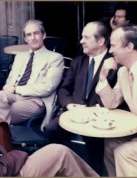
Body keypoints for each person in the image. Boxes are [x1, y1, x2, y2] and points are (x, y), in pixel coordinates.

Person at [44, 21, 121, 175]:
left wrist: (92, 112)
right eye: (82, 37)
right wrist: (70, 106)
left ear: (100, 41)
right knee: (51, 130)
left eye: (86, 37)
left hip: (100, 118)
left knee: (96, 147)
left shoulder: (115, 63)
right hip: (74, 113)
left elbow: (115, 98)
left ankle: (95, 173)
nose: (81, 41)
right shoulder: (78, 61)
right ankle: (63, 165)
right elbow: (64, 89)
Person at [96, 24, 137, 176]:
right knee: (110, 144)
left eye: (113, 45)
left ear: (129, 46)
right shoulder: (123, 72)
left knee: (125, 152)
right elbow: (111, 103)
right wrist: (102, 77)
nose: (110, 51)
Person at [0, 20, 64, 129]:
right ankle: (2, 134)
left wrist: (17, 89)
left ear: (44, 35)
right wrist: (7, 86)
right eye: (29, 35)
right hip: (14, 95)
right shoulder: (20, 57)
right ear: (25, 39)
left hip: (35, 100)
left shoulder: (55, 58)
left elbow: (48, 87)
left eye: (36, 33)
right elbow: (10, 80)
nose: (33, 38)